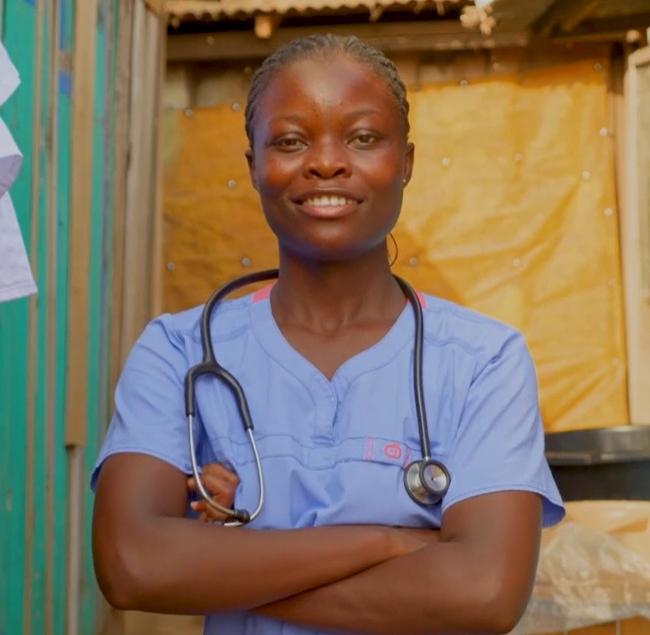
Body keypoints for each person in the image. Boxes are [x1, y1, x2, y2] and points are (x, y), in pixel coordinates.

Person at [91, 33, 564, 634]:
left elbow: (484, 592)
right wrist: (392, 543)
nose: (326, 162)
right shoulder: (178, 351)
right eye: (289, 141)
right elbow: (132, 566)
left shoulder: (482, 361)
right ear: (254, 165)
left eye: (363, 137)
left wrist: (219, 568)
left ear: (408, 162)